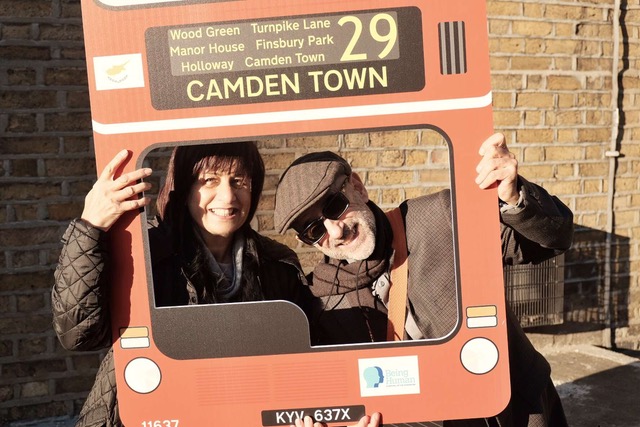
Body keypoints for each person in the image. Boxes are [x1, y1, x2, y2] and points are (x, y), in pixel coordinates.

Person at [273, 133, 573, 427]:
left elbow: (552, 240)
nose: (335, 232)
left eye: (334, 207)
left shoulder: (439, 216)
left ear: (357, 187)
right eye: (314, 230)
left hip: (518, 409)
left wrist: (514, 196)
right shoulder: (321, 301)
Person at [52, 142, 338, 427]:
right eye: (209, 180)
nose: (228, 196)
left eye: (239, 181)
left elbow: (302, 363)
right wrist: (90, 227)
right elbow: (77, 334)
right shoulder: (145, 253)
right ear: (184, 187)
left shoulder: (277, 264)